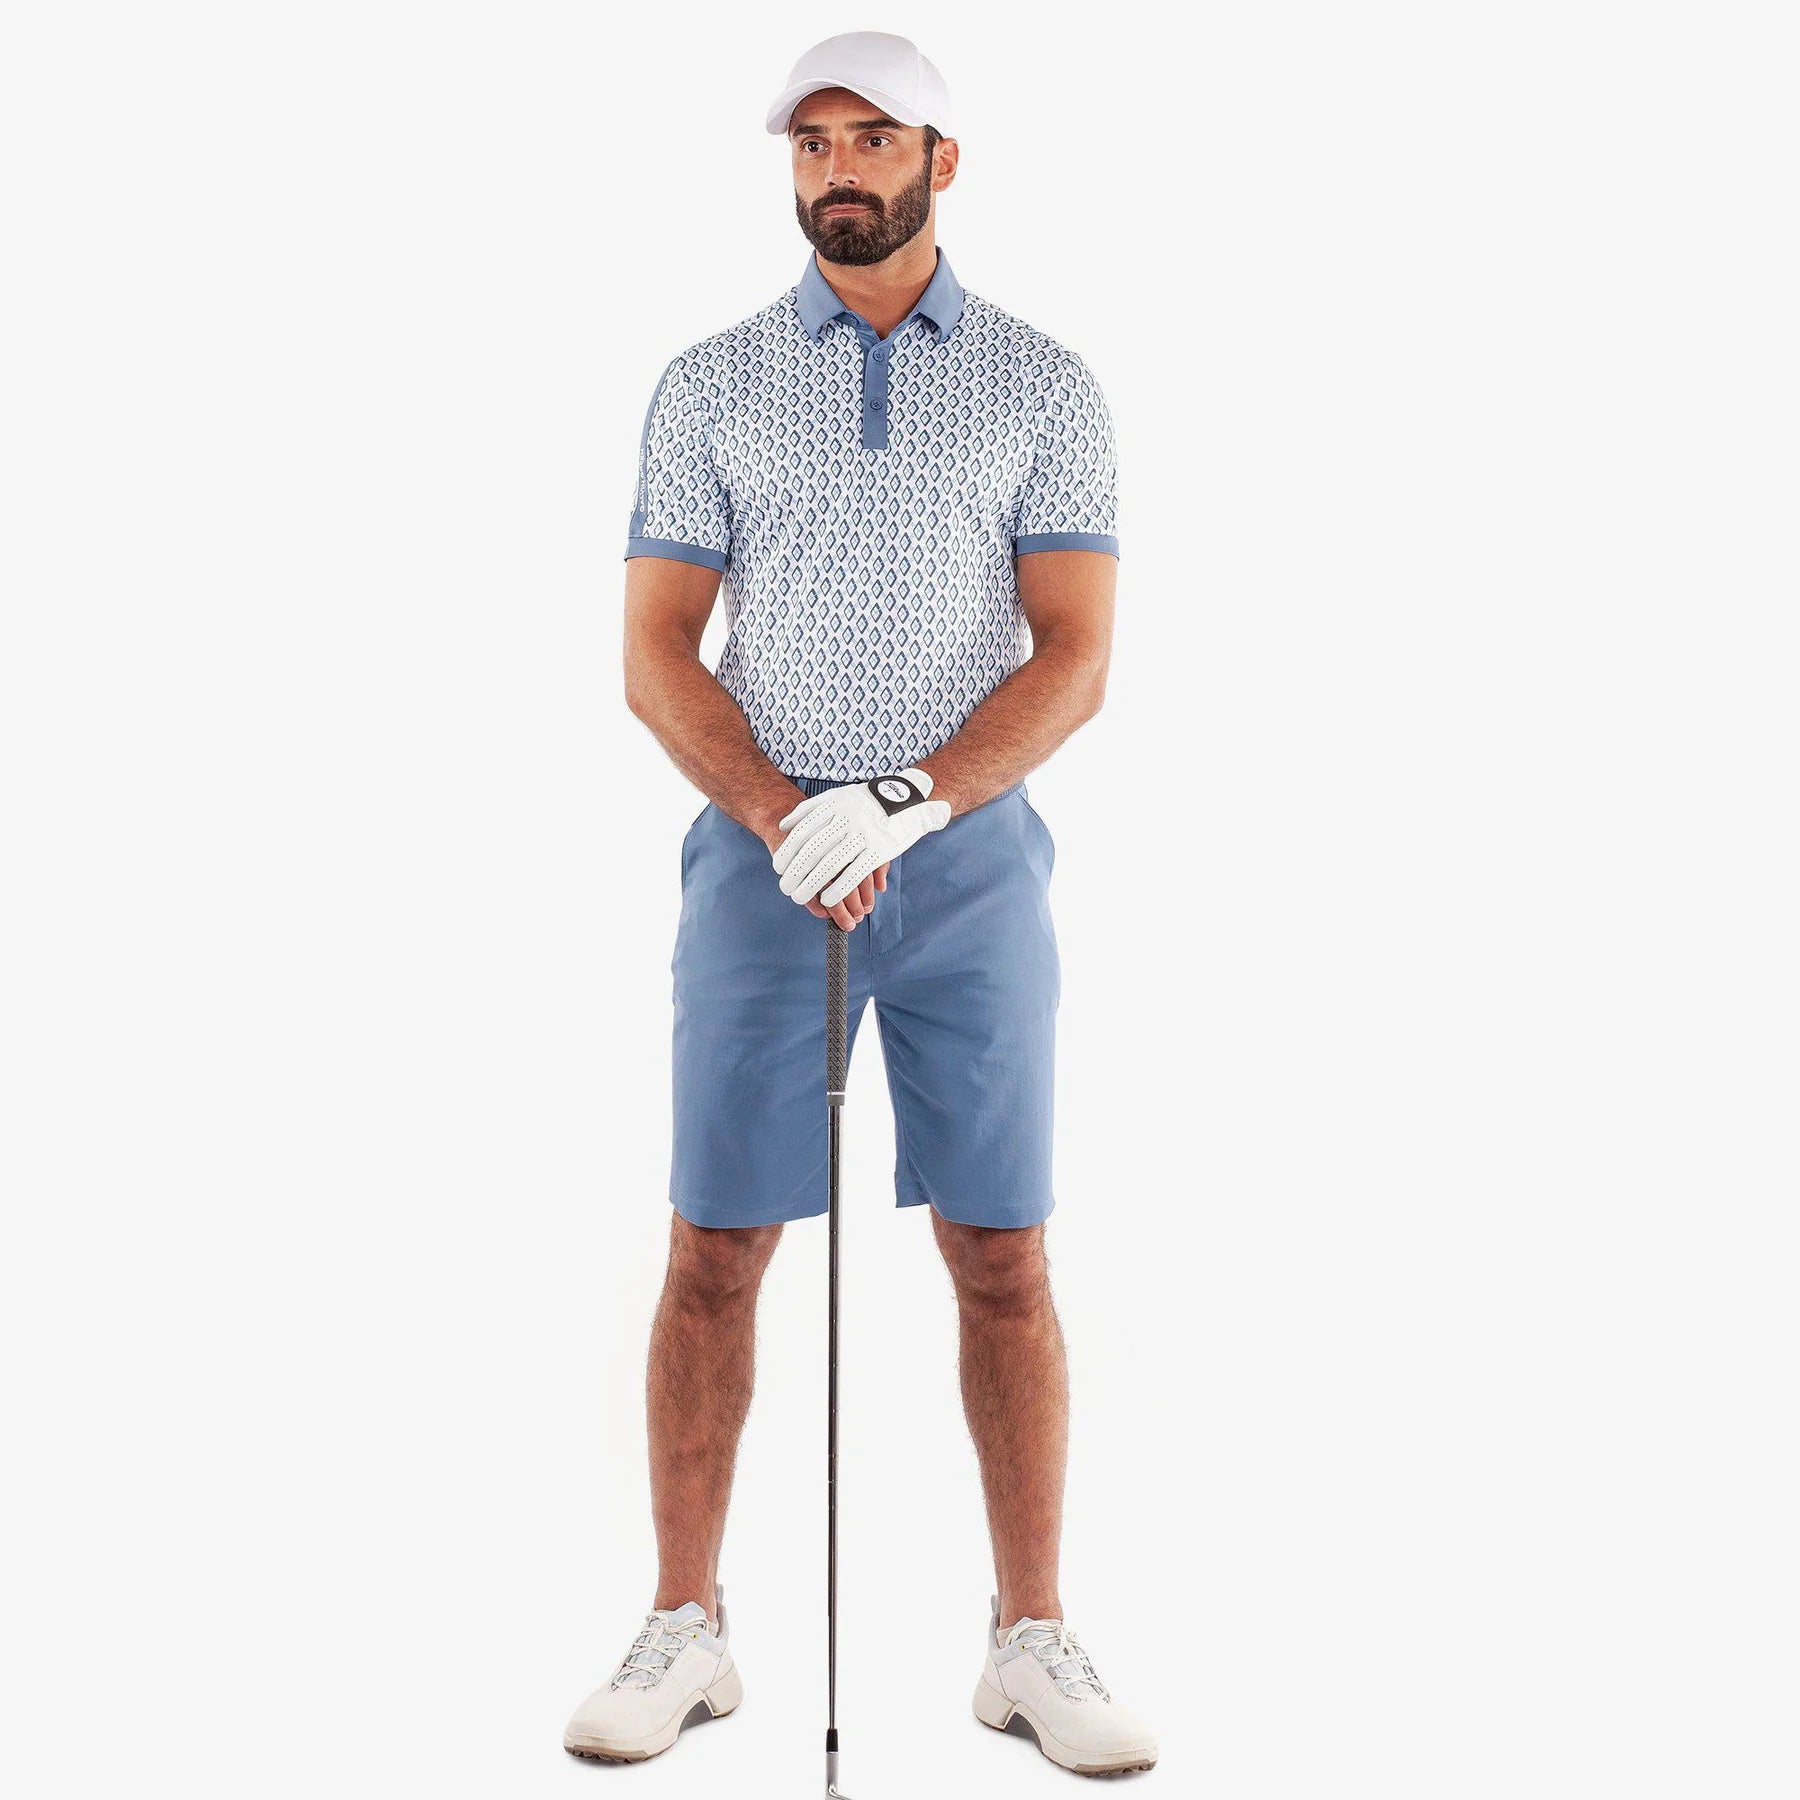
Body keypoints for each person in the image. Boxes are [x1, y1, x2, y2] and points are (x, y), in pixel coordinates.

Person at [563, 31, 1157, 1778]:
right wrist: (784, 813)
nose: (839, 167)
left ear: (941, 164)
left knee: (1003, 1251)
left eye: (873, 138)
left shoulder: (1045, 385)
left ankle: (1029, 1636)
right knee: (713, 1248)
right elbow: (655, 653)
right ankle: (687, 1625)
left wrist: (909, 799)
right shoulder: (711, 383)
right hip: (762, 871)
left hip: (973, 866)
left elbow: (1077, 655)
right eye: (814, 143)